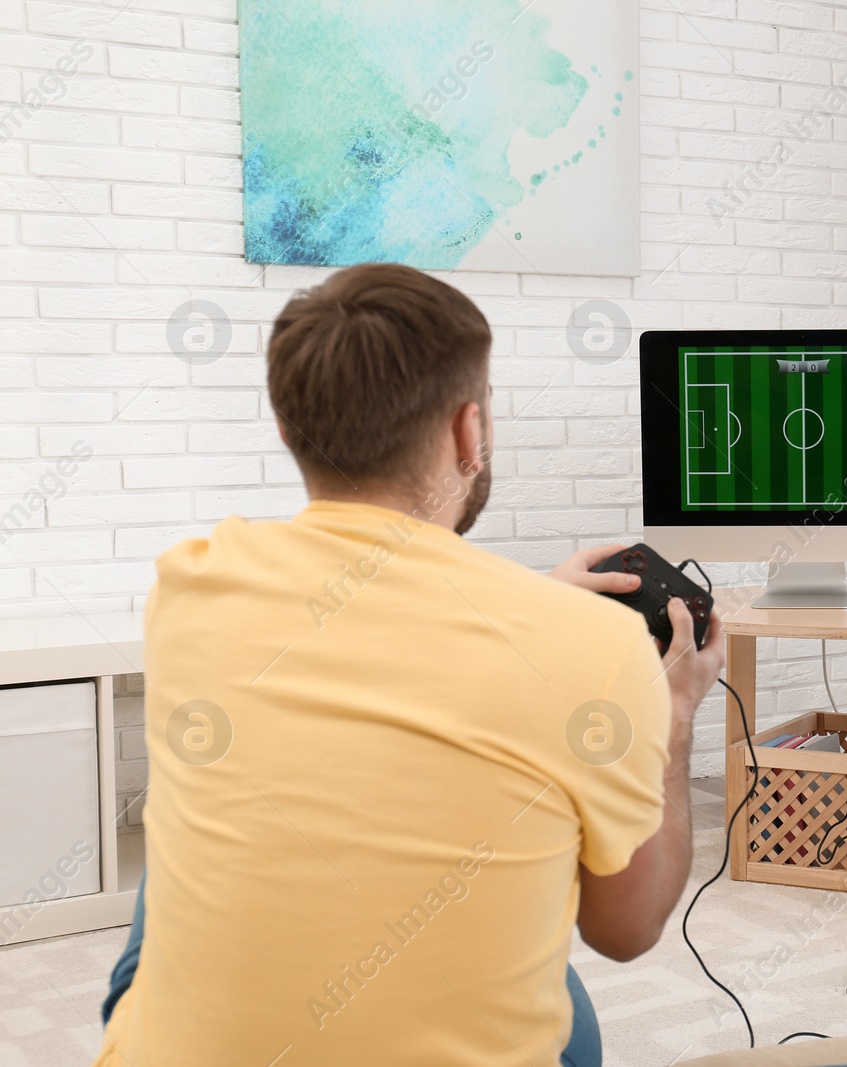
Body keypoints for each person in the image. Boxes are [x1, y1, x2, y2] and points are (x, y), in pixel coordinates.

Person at [95, 263, 725, 1067]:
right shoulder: (591, 650)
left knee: (199, 814)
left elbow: (372, 626)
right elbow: (625, 930)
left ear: (289, 431)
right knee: (567, 1008)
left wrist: (531, 608)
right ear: (470, 431)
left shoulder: (190, 581)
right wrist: (668, 716)